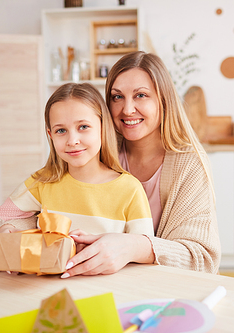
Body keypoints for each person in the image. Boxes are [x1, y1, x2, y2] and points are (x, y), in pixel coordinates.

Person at [0, 83, 154, 275]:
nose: (72, 140)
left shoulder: (130, 189)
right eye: (61, 130)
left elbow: (144, 253)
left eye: (83, 127)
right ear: (50, 135)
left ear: (103, 127)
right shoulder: (42, 182)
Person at [64, 51, 221, 277]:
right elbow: (41, 201)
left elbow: (202, 259)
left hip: (162, 289)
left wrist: (133, 247)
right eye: (117, 97)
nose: (127, 109)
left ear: (163, 99)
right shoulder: (96, 151)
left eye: (141, 95)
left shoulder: (189, 163)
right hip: (100, 283)